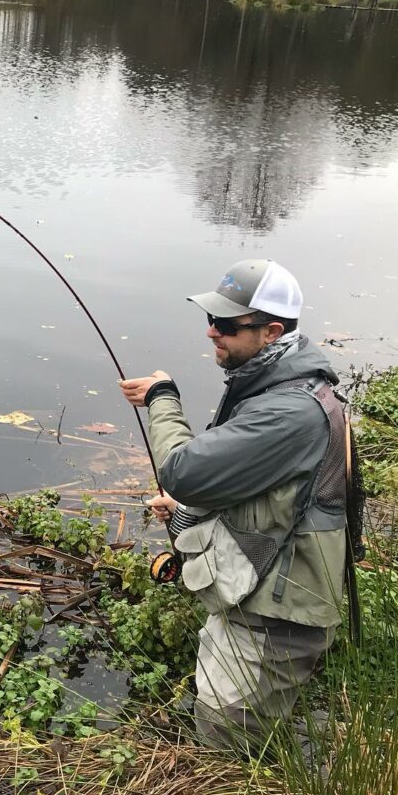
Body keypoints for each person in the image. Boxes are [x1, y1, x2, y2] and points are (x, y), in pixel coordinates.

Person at [118, 260, 347, 756]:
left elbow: (182, 469)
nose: (210, 332)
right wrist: (184, 508)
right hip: (263, 593)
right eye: (212, 319)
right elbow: (267, 489)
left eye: (225, 325)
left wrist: (163, 398)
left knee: (227, 738)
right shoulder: (274, 383)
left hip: (277, 614)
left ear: (272, 332)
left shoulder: (288, 410)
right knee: (233, 713)